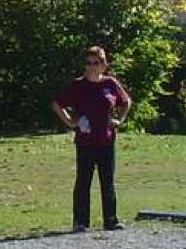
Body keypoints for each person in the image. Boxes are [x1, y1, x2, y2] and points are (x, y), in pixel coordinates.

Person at [51, 45, 131, 233]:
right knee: (83, 181)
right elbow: (57, 103)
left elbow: (126, 101)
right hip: (85, 142)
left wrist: (119, 119)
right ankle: (80, 222)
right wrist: (70, 122)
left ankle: (110, 220)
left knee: (108, 181)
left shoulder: (110, 84)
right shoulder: (78, 85)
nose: (93, 66)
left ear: (104, 64)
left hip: (106, 140)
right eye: (89, 63)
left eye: (97, 62)